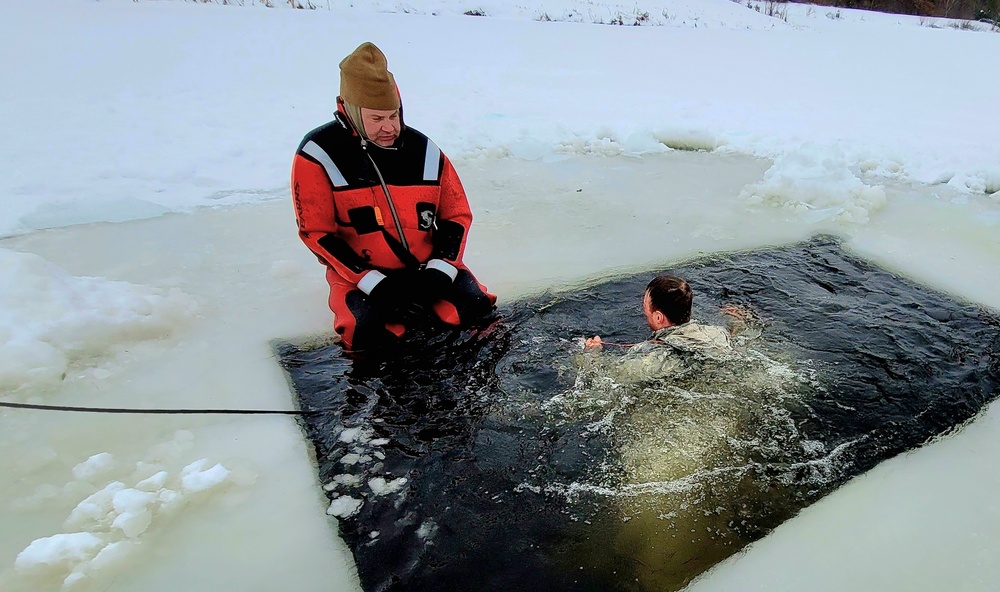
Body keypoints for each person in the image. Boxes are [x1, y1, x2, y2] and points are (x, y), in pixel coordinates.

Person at [291, 42, 495, 351]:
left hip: (428, 268)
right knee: (366, 333)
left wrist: (441, 270)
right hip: (360, 275)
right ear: (353, 112)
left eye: (394, 116)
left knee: (477, 311)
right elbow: (316, 233)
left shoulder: (424, 151)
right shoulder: (318, 155)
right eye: (376, 119)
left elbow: (456, 215)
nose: (389, 128)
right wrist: (375, 285)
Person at [583, 275, 733, 381]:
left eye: (645, 307)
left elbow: (602, 377)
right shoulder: (717, 332)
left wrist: (591, 354)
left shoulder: (652, 359)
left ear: (658, 317)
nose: (643, 312)